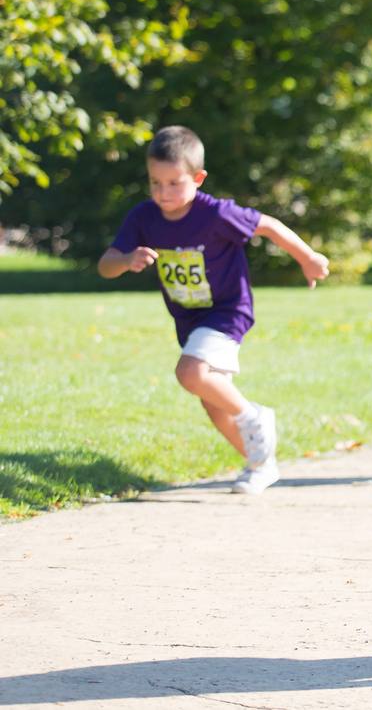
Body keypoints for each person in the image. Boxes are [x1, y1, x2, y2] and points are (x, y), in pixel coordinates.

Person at [97, 126, 331, 494]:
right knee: (212, 403)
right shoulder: (144, 217)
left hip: (227, 310)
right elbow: (105, 266)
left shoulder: (216, 214)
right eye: (155, 183)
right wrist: (127, 259)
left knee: (190, 372)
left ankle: (255, 416)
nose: (163, 193)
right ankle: (262, 464)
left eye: (174, 183)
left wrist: (308, 257)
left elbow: (267, 226)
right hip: (190, 318)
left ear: (198, 178)